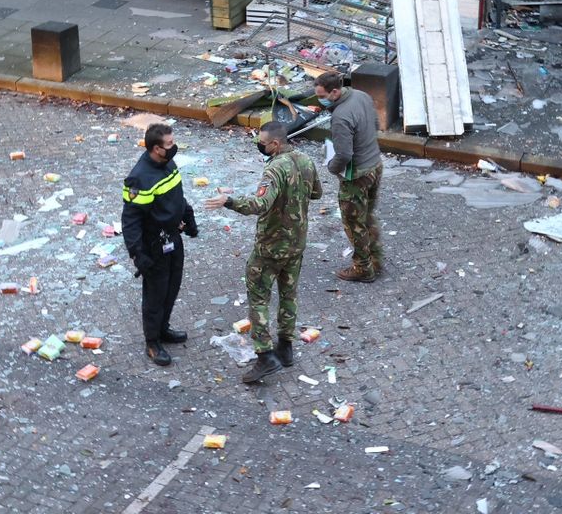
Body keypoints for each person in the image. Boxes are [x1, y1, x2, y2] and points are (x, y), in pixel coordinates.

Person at [205, 122, 322, 383]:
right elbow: (316, 193)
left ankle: (265, 355)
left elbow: (259, 204)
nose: (260, 145)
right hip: (296, 243)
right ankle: (286, 347)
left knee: (258, 297)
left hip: (270, 246)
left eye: (263, 142)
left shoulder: (274, 170)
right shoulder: (306, 160)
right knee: (288, 294)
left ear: (275, 144)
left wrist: (229, 201)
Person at [121, 123, 198, 366]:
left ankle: (163, 328)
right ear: (156, 148)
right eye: (169, 144)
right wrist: (137, 253)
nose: (174, 147)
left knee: (172, 287)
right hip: (153, 245)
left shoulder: (169, 163)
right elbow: (131, 219)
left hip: (172, 238)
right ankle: (152, 342)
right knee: (155, 295)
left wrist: (188, 217)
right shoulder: (139, 178)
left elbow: (177, 196)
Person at [314, 71, 384, 283]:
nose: (319, 100)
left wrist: (332, 167)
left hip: (357, 176)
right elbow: (376, 125)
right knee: (367, 216)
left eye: (322, 96)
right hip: (375, 165)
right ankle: (375, 259)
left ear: (335, 92)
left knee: (354, 223)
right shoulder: (362, 95)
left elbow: (344, 154)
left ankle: (363, 268)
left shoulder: (340, 117)